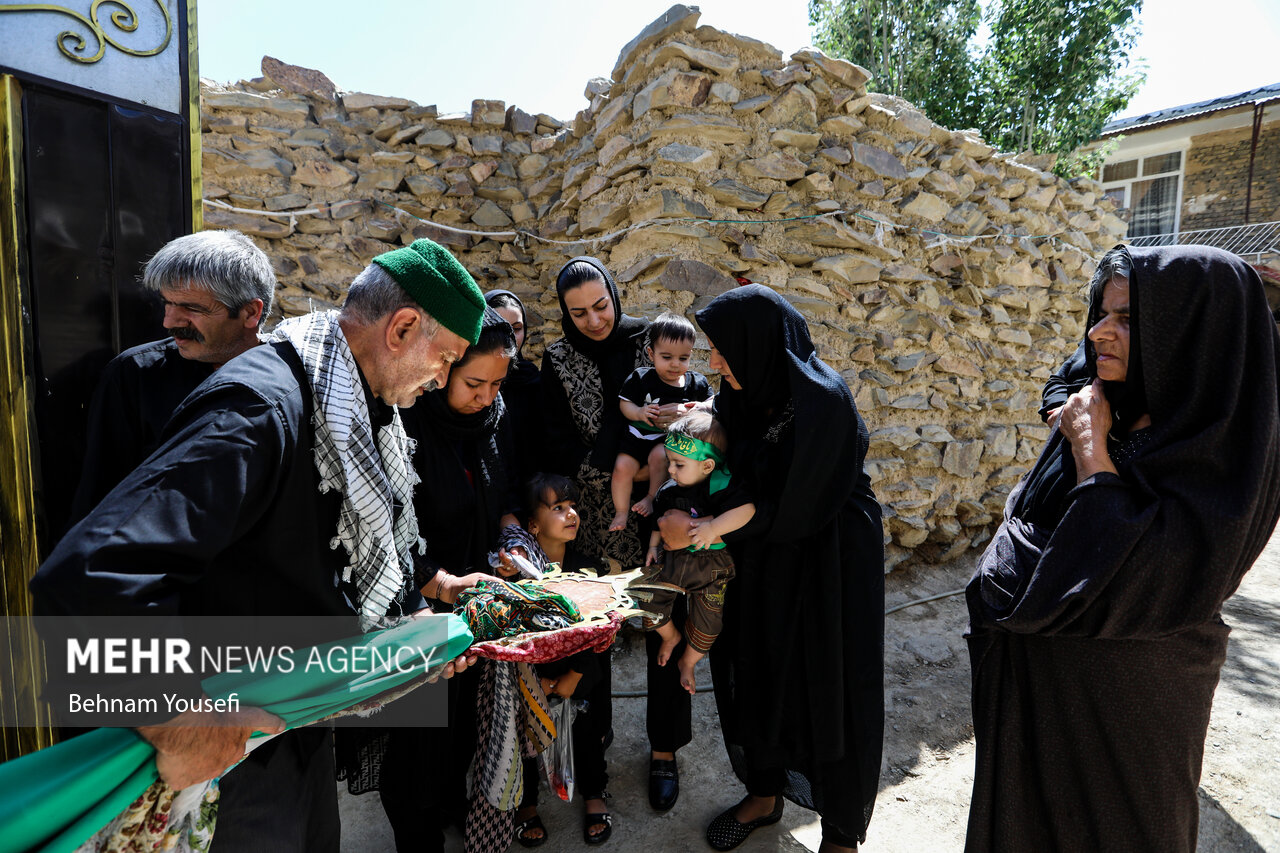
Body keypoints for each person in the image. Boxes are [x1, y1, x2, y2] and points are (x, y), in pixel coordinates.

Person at [31, 237, 491, 852]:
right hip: (231, 758)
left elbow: (315, 563)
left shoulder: (353, 407)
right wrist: (181, 720)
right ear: (403, 327)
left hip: (295, 737)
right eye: (447, 358)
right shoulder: (261, 404)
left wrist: (414, 633)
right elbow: (93, 576)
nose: (442, 380)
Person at [964, 245, 1280, 853]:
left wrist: (1090, 452)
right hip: (1038, 679)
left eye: (1128, 320)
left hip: (1127, 702)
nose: (1097, 332)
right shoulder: (1115, 397)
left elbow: (1134, 576)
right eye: (1102, 313)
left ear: (1192, 333)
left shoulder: (1219, 459)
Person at [659, 283, 884, 852]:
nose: (713, 363)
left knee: (828, 687)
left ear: (761, 346)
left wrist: (716, 524)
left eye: (722, 351)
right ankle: (763, 794)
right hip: (759, 557)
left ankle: (839, 833)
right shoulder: (741, 393)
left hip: (827, 562)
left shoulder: (822, 402)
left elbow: (794, 504)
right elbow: (717, 465)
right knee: (753, 670)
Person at [343, 306, 521, 852]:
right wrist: (439, 584)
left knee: (465, 725)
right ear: (442, 371)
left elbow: (505, 490)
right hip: (413, 610)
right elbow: (376, 529)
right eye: (474, 383)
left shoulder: (493, 418)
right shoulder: (402, 425)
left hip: (476, 610)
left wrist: (512, 539)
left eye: (496, 384)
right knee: (418, 742)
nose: (486, 397)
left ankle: (449, 802)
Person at [70, 229, 274, 522]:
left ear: (250, 313)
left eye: (191, 308)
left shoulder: (293, 378)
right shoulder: (136, 375)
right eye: (167, 303)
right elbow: (101, 500)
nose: (169, 321)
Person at [495, 473, 614, 847]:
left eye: (573, 506)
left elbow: (602, 633)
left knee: (589, 731)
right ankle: (527, 804)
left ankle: (594, 792)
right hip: (535, 678)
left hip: (584, 674)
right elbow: (517, 637)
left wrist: (575, 676)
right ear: (533, 525)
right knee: (528, 733)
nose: (571, 514)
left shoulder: (589, 568)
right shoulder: (520, 576)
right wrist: (543, 684)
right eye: (558, 508)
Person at [643, 411, 754, 694]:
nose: (670, 471)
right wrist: (654, 546)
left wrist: (713, 528)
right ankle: (670, 636)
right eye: (669, 462)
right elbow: (660, 518)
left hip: (712, 568)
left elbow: (747, 511)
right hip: (672, 560)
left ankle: (689, 662)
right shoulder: (669, 489)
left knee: (710, 624)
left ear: (707, 465)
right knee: (646, 601)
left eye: (679, 464)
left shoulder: (721, 486)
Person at [609, 312, 712, 531]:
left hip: (666, 442)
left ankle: (650, 497)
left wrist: (696, 409)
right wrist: (639, 412)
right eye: (666, 357)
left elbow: (713, 402)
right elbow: (624, 403)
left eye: (683, 358)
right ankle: (621, 512)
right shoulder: (641, 378)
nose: (675, 365)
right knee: (621, 467)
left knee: (659, 458)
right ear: (651, 353)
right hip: (636, 437)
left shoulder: (696, 383)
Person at [485, 289, 547, 486]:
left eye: (517, 328)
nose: (509, 336)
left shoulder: (532, 379)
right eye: (500, 326)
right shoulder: (469, 379)